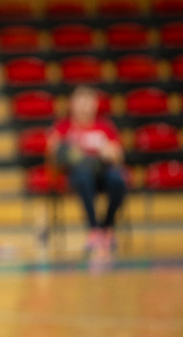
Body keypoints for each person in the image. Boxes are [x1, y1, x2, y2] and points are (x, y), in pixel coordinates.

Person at [47, 86, 127, 258]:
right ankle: (94, 230)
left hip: (103, 173)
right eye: (80, 101)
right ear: (72, 104)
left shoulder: (104, 127)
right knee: (83, 176)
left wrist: (108, 151)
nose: (84, 106)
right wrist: (69, 152)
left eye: (88, 101)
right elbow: (53, 152)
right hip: (77, 176)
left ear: (95, 104)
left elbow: (118, 155)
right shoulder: (64, 127)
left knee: (117, 179)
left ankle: (107, 228)